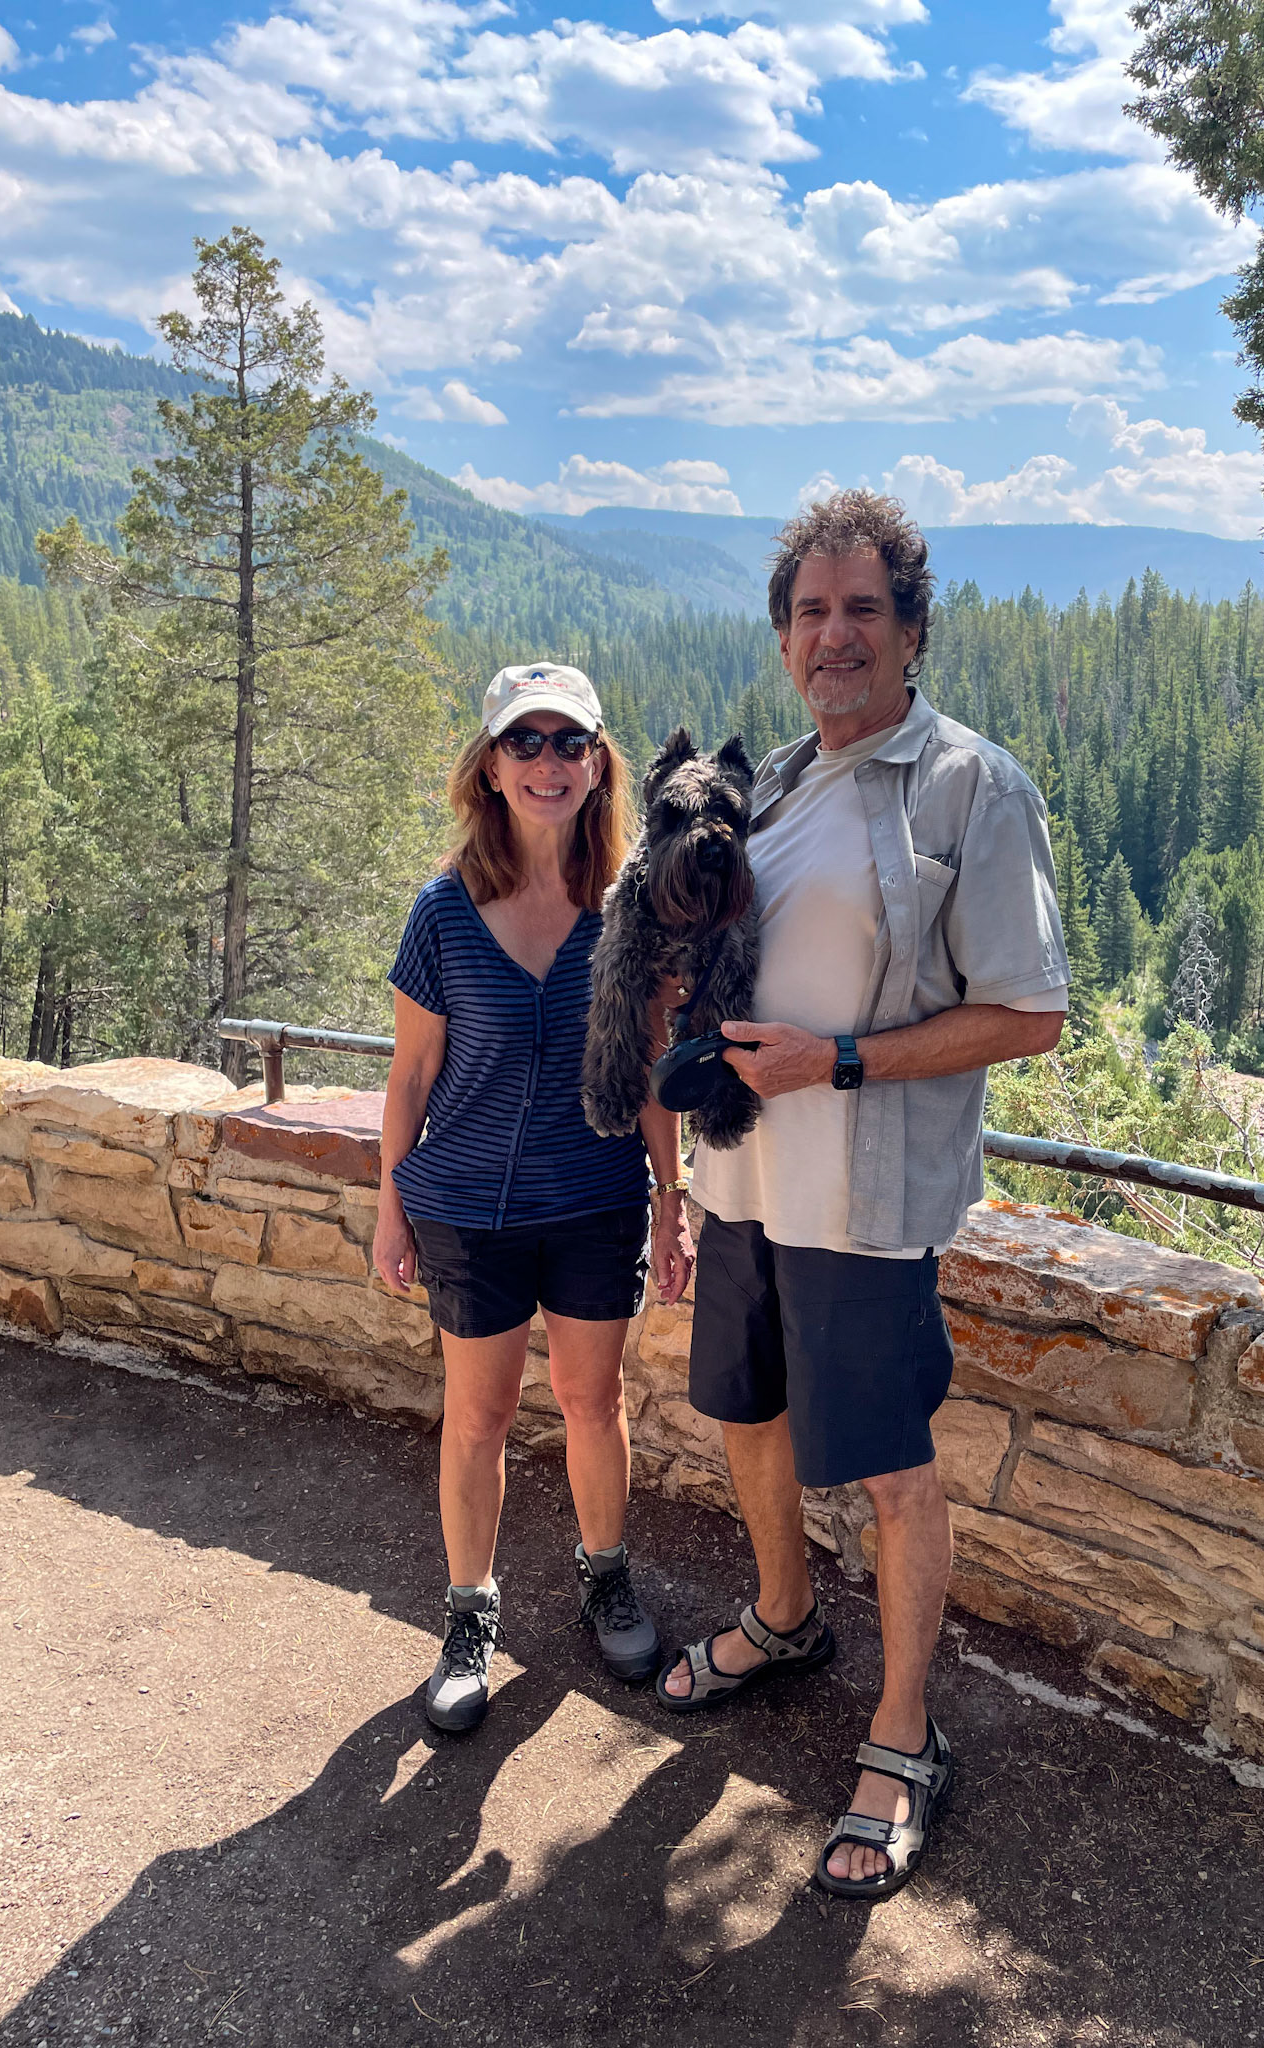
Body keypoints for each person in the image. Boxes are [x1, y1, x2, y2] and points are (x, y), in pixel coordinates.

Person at [659, 492, 1069, 1901]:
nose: (836, 637)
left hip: (869, 1202)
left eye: (863, 610)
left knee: (892, 1474)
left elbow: (1028, 1014)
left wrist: (839, 1060)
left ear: (909, 628)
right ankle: (784, 1621)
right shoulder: (767, 781)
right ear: (784, 638)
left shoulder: (969, 786)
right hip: (744, 1182)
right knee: (748, 1417)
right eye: (811, 612)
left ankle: (905, 1734)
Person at [374, 663, 694, 1734]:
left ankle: (604, 1573)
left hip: (596, 1198)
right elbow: (412, 1074)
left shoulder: (630, 908)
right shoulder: (442, 912)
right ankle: (471, 1614)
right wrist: (389, 1203)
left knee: (594, 1402)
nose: (549, 761)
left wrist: (671, 1197)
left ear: (600, 761)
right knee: (480, 1416)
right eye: (527, 741)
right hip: (467, 1203)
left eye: (571, 741)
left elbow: (651, 1059)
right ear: (492, 764)